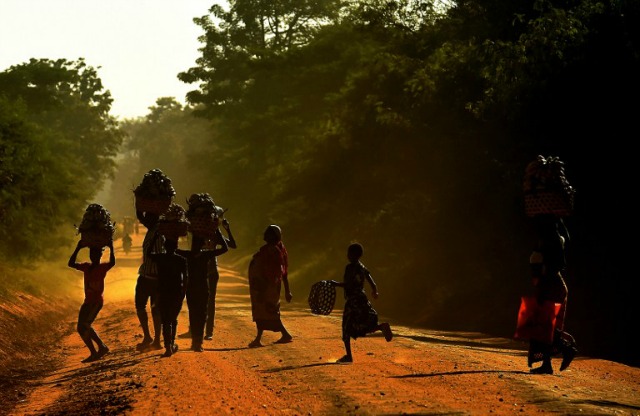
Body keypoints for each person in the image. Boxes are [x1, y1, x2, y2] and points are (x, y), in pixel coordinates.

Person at [528, 215, 578, 374]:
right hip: (558, 283)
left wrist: (538, 284)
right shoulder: (559, 238)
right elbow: (565, 236)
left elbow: (536, 261)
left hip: (550, 284)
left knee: (545, 325)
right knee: (547, 326)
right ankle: (550, 362)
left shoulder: (545, 241)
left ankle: (565, 350)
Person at [329, 242, 393, 363]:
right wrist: (375, 292)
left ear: (352, 254)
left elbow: (349, 284)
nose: (347, 255)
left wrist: (335, 284)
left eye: (348, 253)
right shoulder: (362, 267)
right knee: (364, 324)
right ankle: (380, 327)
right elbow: (373, 283)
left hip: (353, 301)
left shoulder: (350, 268)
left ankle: (349, 356)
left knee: (347, 327)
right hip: (362, 299)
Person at [178, 218, 237, 341]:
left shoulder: (214, 235)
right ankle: (193, 330)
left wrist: (223, 230)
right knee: (195, 300)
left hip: (211, 271)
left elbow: (232, 245)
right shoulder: (195, 232)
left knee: (209, 302)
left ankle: (208, 332)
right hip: (197, 271)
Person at [176, 230, 228, 351]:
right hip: (203, 288)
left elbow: (172, 249)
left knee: (193, 314)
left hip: (191, 288)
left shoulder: (188, 254)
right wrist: (217, 231)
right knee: (202, 314)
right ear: (202, 245)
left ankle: (195, 341)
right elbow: (224, 248)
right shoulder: (206, 255)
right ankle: (198, 343)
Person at [68, 240, 116, 363]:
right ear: (89, 256)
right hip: (87, 301)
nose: (93, 257)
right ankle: (96, 351)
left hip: (96, 302)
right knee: (80, 327)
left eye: (96, 255)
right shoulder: (86, 267)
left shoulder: (102, 267)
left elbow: (113, 262)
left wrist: (111, 247)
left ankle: (101, 348)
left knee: (85, 325)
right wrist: (78, 248)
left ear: (100, 256)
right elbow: (70, 263)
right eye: (92, 255)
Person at [248, 224, 293, 347]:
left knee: (269, 312)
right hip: (263, 286)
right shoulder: (272, 249)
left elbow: (282, 272)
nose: (264, 235)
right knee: (264, 312)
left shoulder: (274, 251)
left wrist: (286, 290)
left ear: (274, 236)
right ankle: (259, 338)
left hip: (267, 287)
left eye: (268, 233)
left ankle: (283, 334)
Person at [150, 238, 188, 357]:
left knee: (166, 321)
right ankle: (171, 344)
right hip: (177, 293)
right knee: (172, 319)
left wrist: (154, 238)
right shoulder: (181, 260)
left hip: (163, 293)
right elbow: (186, 278)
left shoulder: (160, 258)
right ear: (176, 246)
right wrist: (183, 293)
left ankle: (168, 346)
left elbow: (148, 253)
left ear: (164, 247)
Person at [135, 210, 164, 352]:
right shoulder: (153, 230)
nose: (144, 221)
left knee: (153, 309)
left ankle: (155, 339)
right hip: (147, 276)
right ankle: (150, 337)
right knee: (143, 307)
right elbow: (140, 216)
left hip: (153, 278)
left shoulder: (159, 233)